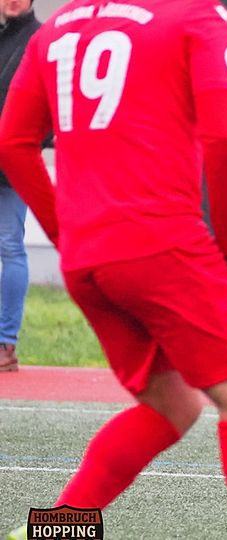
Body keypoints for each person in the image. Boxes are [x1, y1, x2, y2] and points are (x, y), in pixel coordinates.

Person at [0, 1, 227, 538]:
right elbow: (224, 139)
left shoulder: (57, 28)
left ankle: (54, 530)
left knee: (171, 404)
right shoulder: (196, 14)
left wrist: (68, 234)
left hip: (89, 258)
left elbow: (13, 143)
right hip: (161, 245)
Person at [0, 0, 40, 373]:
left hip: (10, 168)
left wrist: (26, 146)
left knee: (10, 247)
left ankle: (4, 342)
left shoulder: (40, 39)